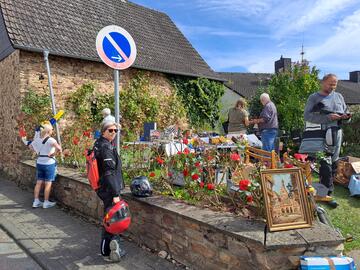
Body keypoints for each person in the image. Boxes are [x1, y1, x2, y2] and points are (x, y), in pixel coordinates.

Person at [304, 74, 351, 198]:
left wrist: (346, 117)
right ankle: (326, 193)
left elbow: (345, 112)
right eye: (330, 84)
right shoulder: (314, 98)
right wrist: (328, 117)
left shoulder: (339, 97)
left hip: (337, 133)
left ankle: (324, 191)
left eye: (335, 84)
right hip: (322, 134)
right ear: (323, 82)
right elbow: (307, 116)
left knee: (334, 163)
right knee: (325, 163)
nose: (333, 87)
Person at [94, 120, 125, 261]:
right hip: (108, 190)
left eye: (115, 131)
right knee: (110, 220)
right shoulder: (105, 147)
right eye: (110, 130)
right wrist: (115, 194)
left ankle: (113, 246)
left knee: (110, 219)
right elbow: (108, 173)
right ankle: (106, 252)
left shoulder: (100, 143)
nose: (113, 133)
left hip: (104, 188)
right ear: (103, 131)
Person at [31, 124, 62, 209]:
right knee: (48, 183)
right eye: (52, 129)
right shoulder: (51, 140)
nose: (52, 131)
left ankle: (36, 201)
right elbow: (59, 149)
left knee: (38, 182)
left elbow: (31, 146)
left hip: (40, 162)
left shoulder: (37, 139)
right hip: (49, 163)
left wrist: (38, 152)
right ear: (49, 131)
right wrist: (53, 154)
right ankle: (46, 202)